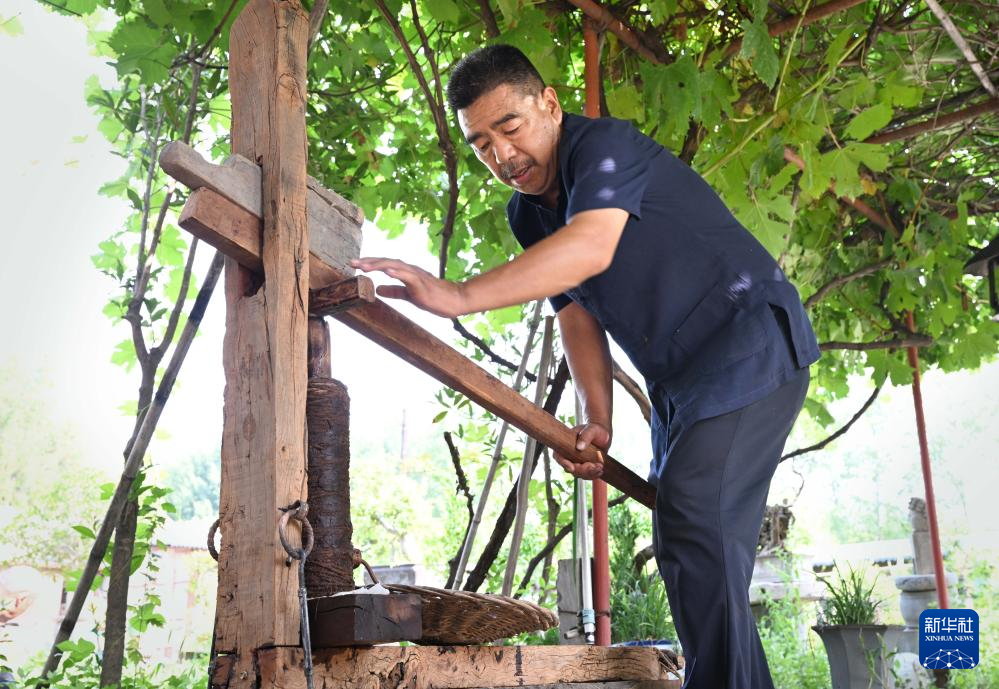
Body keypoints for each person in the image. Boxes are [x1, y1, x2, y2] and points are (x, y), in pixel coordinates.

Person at [351, 44, 819, 689]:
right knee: (693, 543)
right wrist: (599, 417)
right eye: (482, 145)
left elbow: (592, 247)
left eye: (510, 128)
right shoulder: (526, 215)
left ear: (549, 104)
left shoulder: (604, 148)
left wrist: (458, 296)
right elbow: (576, 313)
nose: (502, 155)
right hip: (680, 383)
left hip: (748, 342)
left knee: (694, 520)